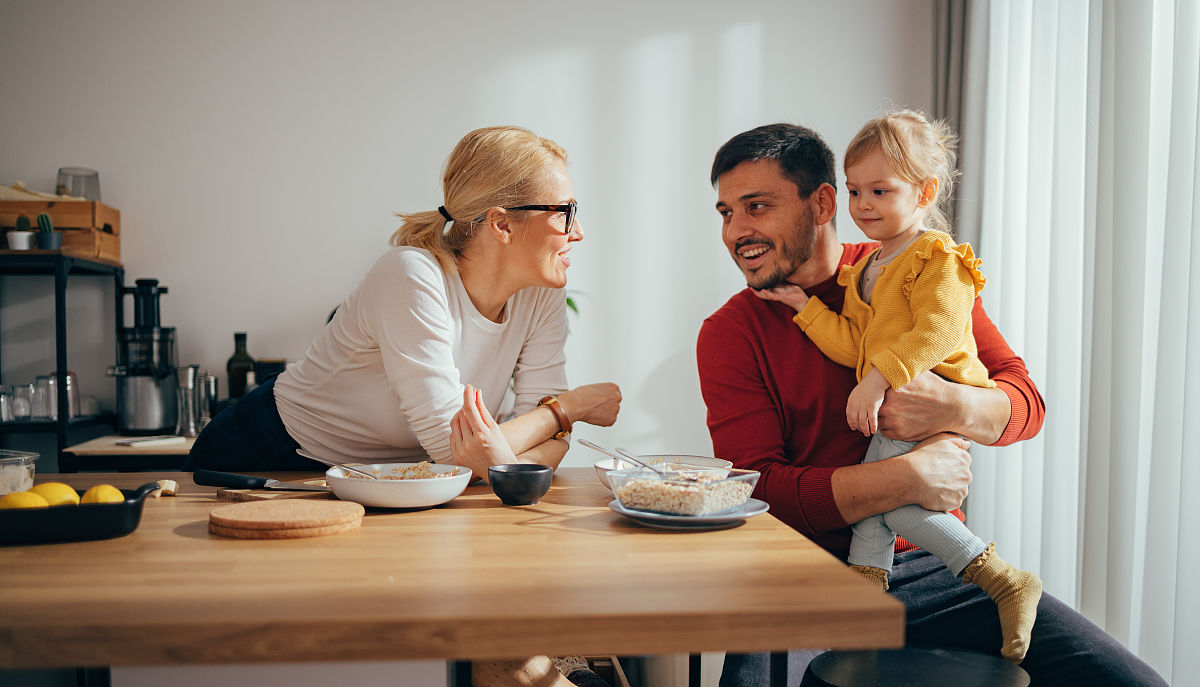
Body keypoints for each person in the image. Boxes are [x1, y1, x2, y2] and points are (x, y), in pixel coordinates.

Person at [697, 122, 1166, 686]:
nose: (736, 231)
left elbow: (1024, 401)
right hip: (799, 573)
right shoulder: (731, 333)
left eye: (757, 206)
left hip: (925, 562)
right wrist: (909, 476)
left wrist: (952, 408)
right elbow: (760, 491)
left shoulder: (914, 269)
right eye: (727, 213)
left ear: (821, 203)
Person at [186, 125, 622, 687]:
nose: (578, 231)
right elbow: (458, 451)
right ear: (501, 222)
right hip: (273, 457)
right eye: (564, 211)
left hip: (400, 480)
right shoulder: (412, 275)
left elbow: (512, 465)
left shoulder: (542, 293)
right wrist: (569, 409)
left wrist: (508, 446)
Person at [753, 111, 1040, 663]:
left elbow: (939, 332)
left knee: (891, 506)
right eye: (857, 190)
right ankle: (866, 607)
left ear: (925, 191)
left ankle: (1001, 578)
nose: (864, 204)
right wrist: (804, 309)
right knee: (876, 507)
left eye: (880, 190)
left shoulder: (938, 258)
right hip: (891, 406)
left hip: (932, 391)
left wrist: (882, 382)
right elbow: (854, 345)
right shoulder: (868, 270)